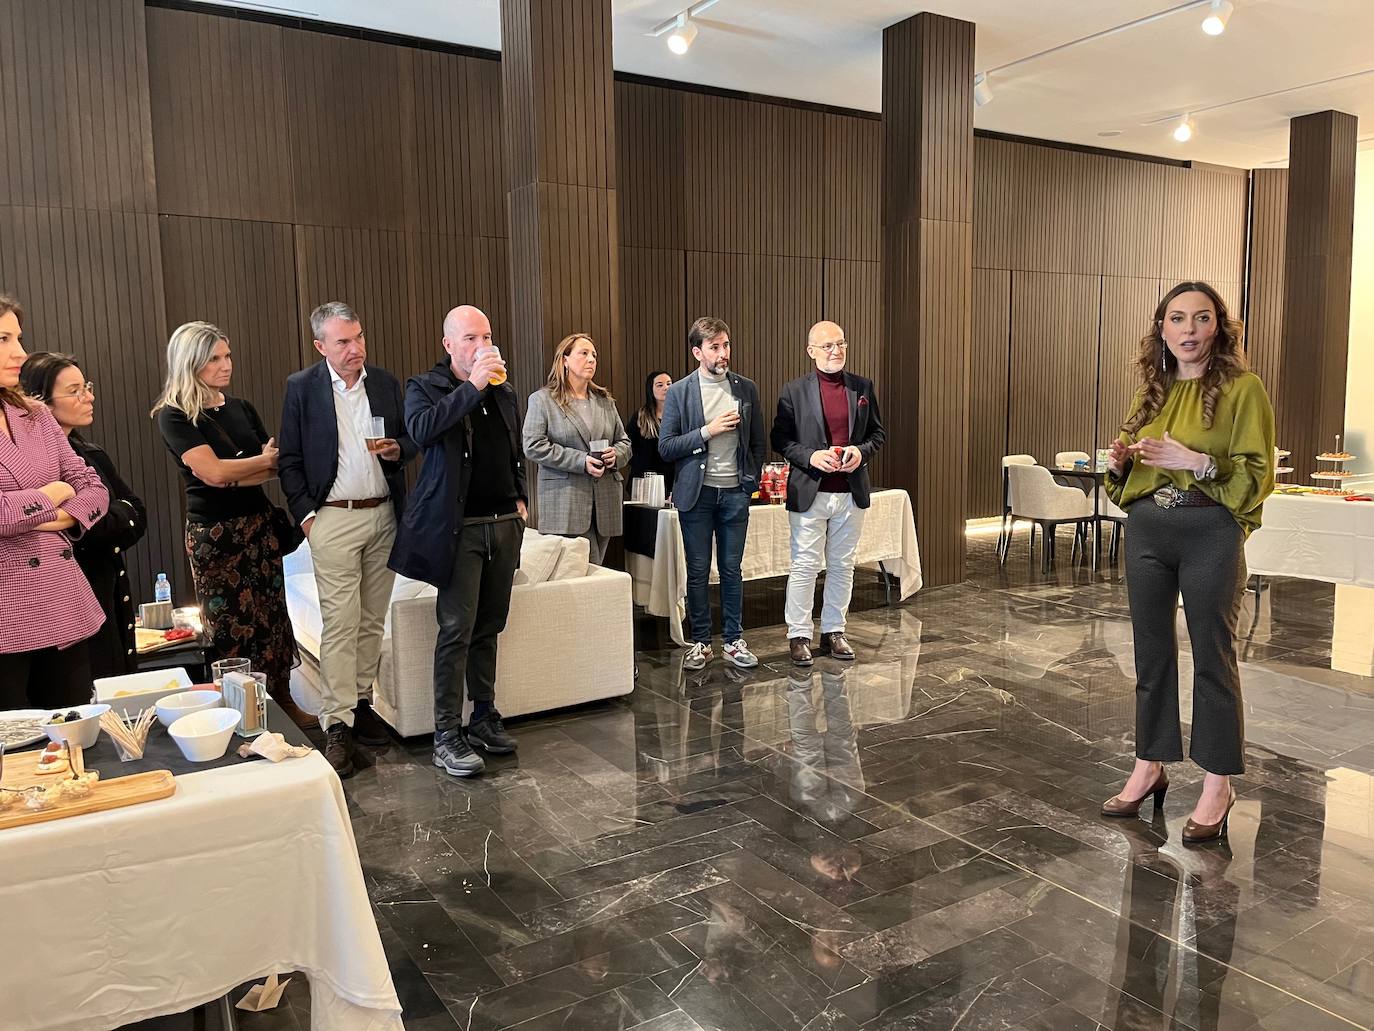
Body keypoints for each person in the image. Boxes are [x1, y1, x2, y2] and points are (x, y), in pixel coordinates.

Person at [1101, 281, 1275, 844]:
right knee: (1150, 656)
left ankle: (1219, 781)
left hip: (1211, 531)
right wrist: (1123, 462)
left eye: (1201, 319)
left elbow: (1257, 474)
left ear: (1218, 327)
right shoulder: (1150, 391)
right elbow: (1123, 478)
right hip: (1150, 528)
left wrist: (1197, 461)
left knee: (1213, 656)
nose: (1189, 331)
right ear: (1162, 329)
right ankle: (1149, 765)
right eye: (1177, 319)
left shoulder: (1244, 390)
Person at [278, 302, 416, 777]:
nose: (355, 348)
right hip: (333, 518)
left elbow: (404, 441)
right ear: (321, 346)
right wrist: (308, 519)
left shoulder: (383, 383)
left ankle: (359, 703)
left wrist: (400, 449)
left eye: (358, 338)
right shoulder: (302, 388)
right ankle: (336, 723)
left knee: (372, 621)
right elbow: (289, 460)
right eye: (343, 341)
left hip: (384, 515)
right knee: (340, 622)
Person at [390, 305, 527, 778]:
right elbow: (423, 431)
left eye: (486, 335)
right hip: (460, 527)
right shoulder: (424, 387)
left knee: (490, 625)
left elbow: (513, 446)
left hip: (503, 521)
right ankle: (446, 734)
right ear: (449, 345)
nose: (482, 345)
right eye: (470, 338)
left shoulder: (504, 390)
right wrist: (471, 387)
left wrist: (521, 497)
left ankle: (483, 716)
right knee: (456, 630)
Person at [152, 321, 304, 726]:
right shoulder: (175, 417)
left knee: (272, 618)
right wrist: (250, 466)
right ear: (191, 364)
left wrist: (240, 469)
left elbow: (273, 467)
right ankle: (242, 712)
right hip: (215, 535)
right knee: (230, 627)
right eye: (214, 359)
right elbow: (214, 475)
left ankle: (282, 700)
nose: (226, 365)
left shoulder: (241, 408)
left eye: (227, 355)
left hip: (258, 525)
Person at [0, 296, 110, 707]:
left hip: (61, 600)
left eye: (19, 337)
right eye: (3, 338)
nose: (20, 353)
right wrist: (51, 493)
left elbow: (94, 488)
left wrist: (62, 515)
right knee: (17, 755)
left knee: (76, 739)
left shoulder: (35, 415)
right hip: (5, 613)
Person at [20, 352, 146, 679]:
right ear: (40, 403)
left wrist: (81, 514)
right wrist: (92, 516)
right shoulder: (36, 467)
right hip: (66, 598)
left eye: (86, 386)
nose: (88, 396)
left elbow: (136, 512)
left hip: (111, 592)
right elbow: (94, 526)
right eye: (74, 390)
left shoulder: (90, 454)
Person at [771, 321, 886, 667]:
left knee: (843, 566)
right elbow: (781, 440)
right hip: (810, 491)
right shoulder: (793, 391)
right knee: (805, 566)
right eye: (827, 346)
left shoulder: (862, 387)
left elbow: (877, 435)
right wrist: (810, 456)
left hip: (850, 492)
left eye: (841, 344)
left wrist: (860, 453)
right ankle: (799, 635)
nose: (836, 351)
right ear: (811, 352)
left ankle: (834, 631)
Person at [658, 316, 765, 671]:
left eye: (726, 345)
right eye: (715, 347)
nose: (723, 353)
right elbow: (667, 447)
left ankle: (734, 640)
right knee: (699, 570)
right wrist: (708, 430)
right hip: (697, 495)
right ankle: (701, 642)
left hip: (735, 492)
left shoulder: (745, 388)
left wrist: (750, 481)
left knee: (732, 569)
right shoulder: (680, 391)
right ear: (697, 352)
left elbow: (758, 442)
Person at [522, 333, 631, 565]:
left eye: (594, 355)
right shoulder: (543, 400)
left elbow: (625, 442)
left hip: (605, 503)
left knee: (595, 572)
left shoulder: (605, 401)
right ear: (565, 360)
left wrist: (615, 455)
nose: (591, 359)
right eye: (584, 353)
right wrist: (580, 461)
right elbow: (533, 446)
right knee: (583, 575)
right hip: (565, 502)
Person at [627, 370, 675, 496]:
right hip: (646, 480)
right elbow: (628, 447)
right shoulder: (641, 416)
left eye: (669, 384)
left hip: (673, 479)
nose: (666, 388)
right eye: (660, 385)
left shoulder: (679, 415)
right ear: (651, 389)